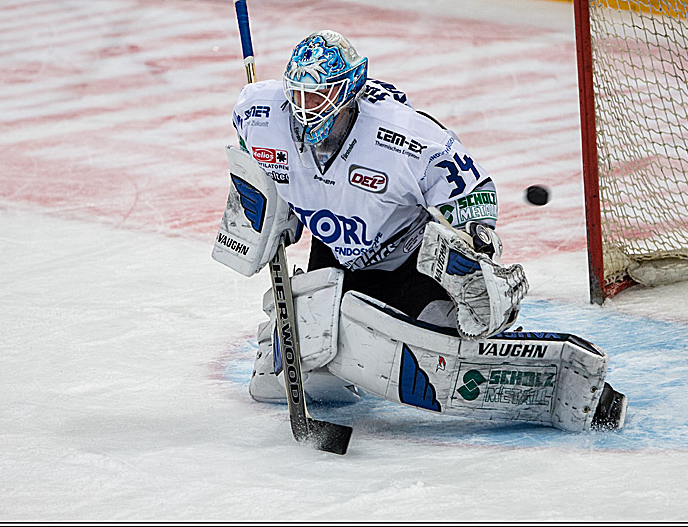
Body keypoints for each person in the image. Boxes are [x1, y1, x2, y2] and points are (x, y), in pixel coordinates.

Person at [216, 29, 626, 432]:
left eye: (318, 95)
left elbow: (471, 188)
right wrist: (271, 202)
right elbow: (252, 154)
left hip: (406, 259)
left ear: (348, 90)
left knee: (442, 338)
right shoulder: (260, 113)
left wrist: (476, 244)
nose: (305, 109)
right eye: (299, 94)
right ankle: (301, 340)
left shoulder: (401, 135)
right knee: (299, 363)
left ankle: (502, 343)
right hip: (333, 256)